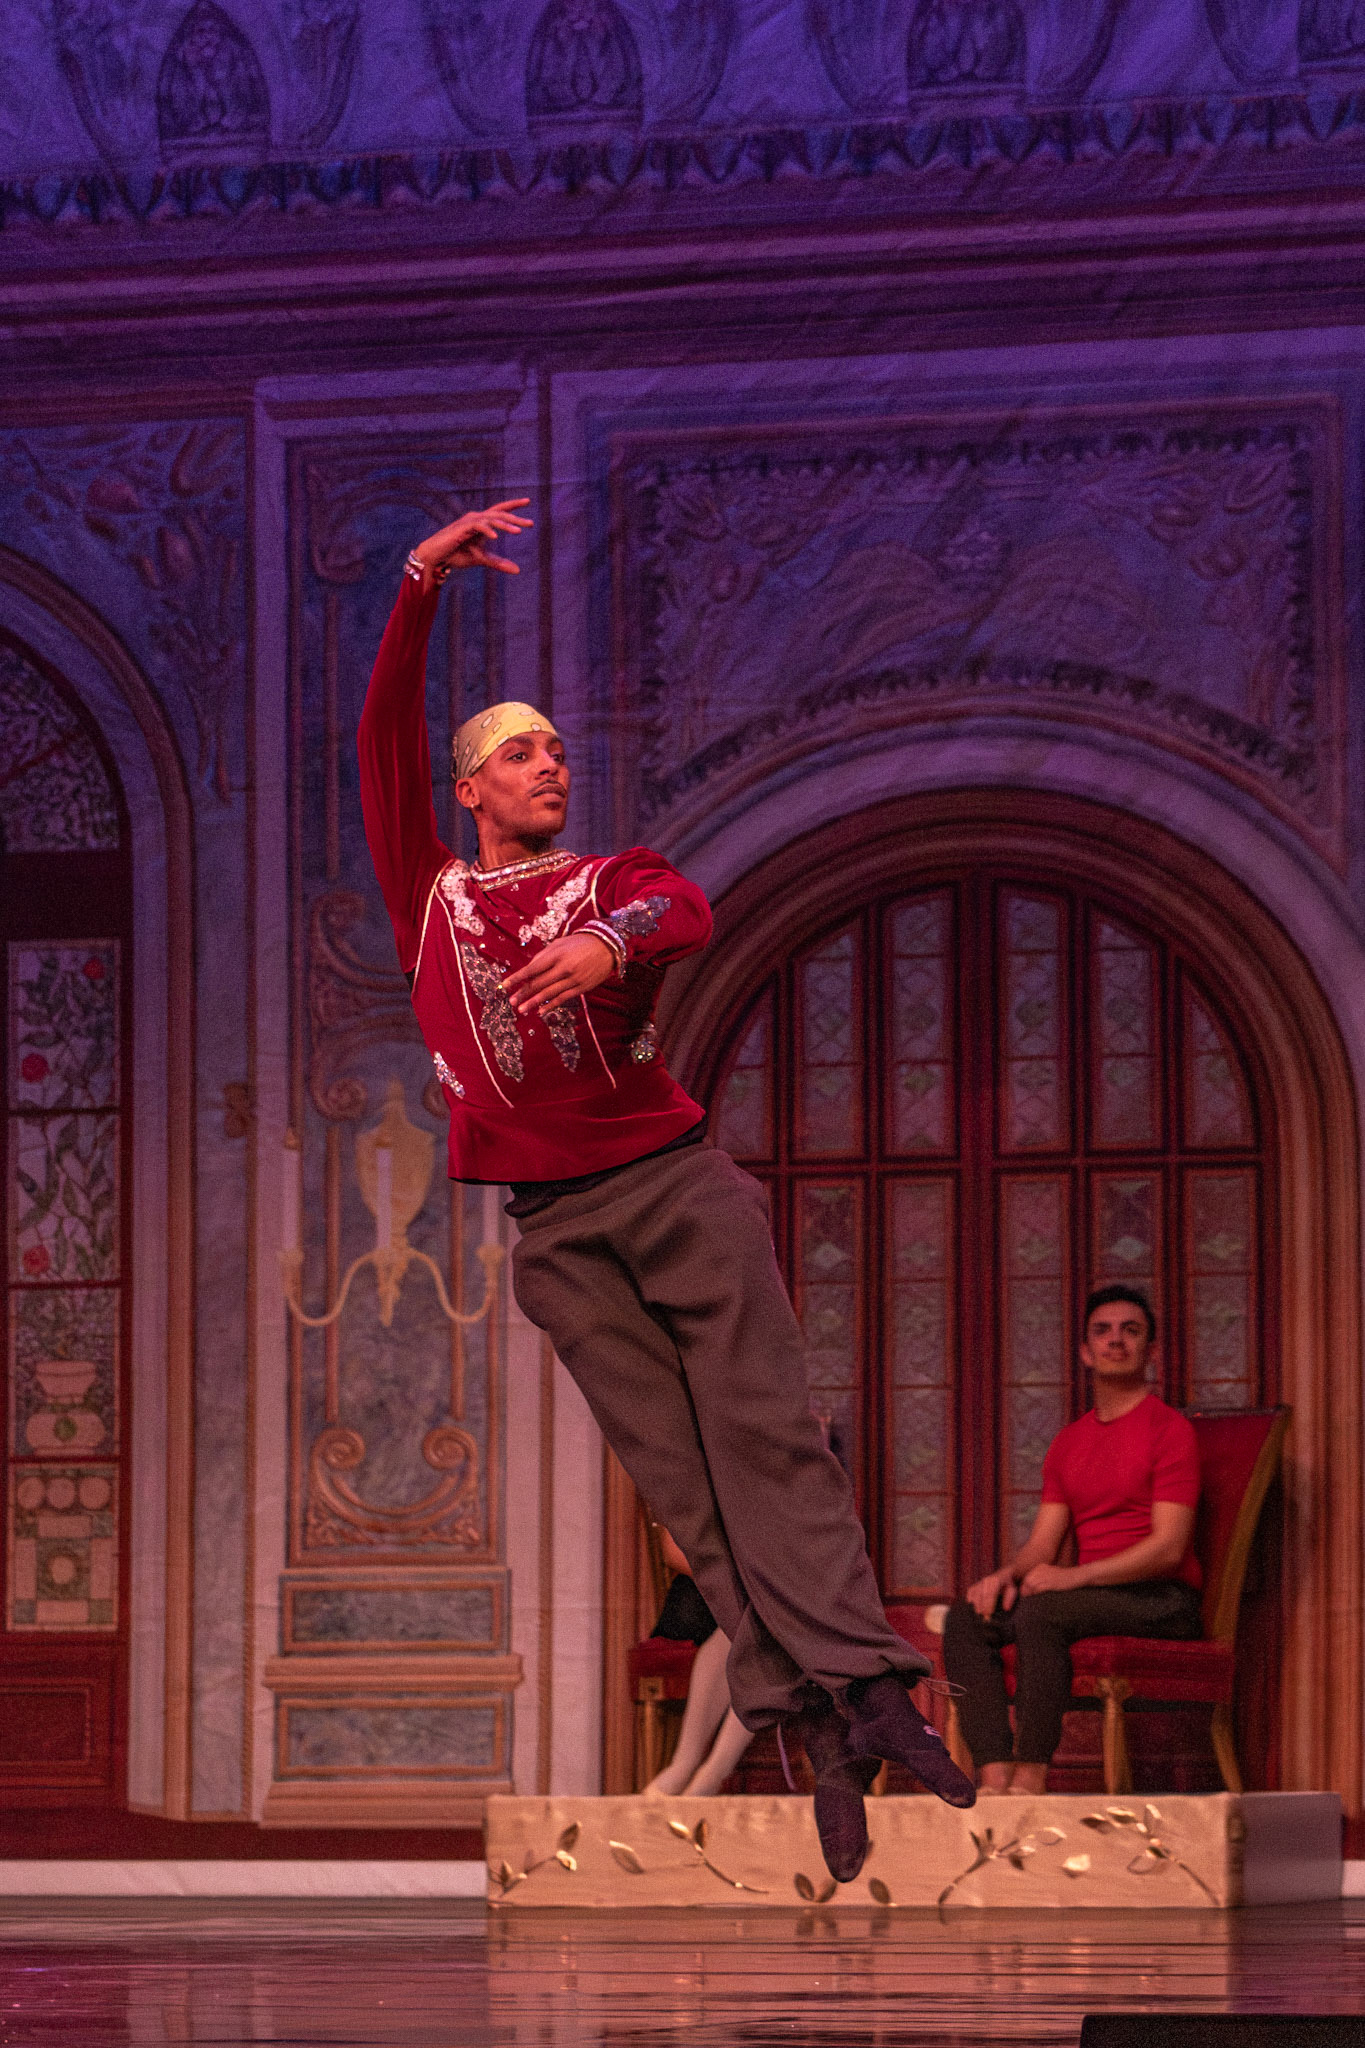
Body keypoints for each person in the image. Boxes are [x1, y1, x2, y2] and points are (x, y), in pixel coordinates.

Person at [357, 500, 974, 1882]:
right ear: (470, 791)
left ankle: (872, 1687)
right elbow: (380, 742)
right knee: (689, 1492)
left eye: (558, 750)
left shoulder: (606, 882)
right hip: (556, 1232)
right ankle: (817, 1721)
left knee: (771, 1441)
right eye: (522, 752)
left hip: (672, 1189)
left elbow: (684, 906)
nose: (551, 764)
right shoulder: (431, 900)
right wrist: (418, 586)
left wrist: (611, 944)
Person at [942, 1285, 1204, 1793]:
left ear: (1150, 1350)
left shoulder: (1170, 1431)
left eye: (1131, 1331)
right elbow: (1043, 1547)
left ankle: (1031, 1777)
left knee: (1044, 1611)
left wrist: (1072, 1578)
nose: (1115, 1340)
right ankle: (994, 1776)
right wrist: (1003, 1577)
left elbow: (1169, 1548)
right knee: (967, 1618)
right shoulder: (1069, 1441)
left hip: (1162, 1598)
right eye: (1102, 1331)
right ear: (1086, 1352)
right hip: (1092, 1596)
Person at [643, 1529, 753, 1798]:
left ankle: (709, 1774)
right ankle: (687, 1766)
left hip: (770, 1603)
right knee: (751, 1626)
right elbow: (673, 1550)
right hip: (712, 1596)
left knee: (763, 1627)